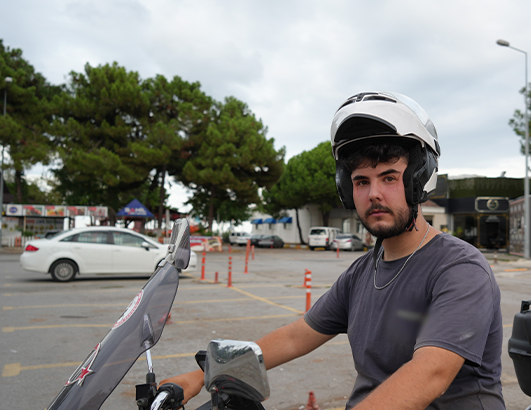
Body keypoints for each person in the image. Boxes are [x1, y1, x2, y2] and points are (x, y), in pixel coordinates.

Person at [161, 91, 504, 410]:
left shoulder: (459, 268)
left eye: (389, 178)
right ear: (346, 190)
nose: (374, 194)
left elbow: (430, 373)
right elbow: (297, 337)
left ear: (418, 180)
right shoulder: (360, 274)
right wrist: (203, 376)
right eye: (361, 181)